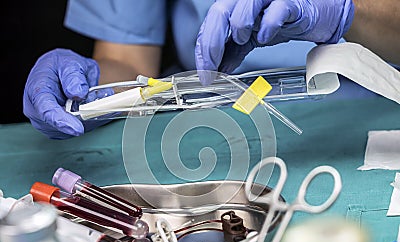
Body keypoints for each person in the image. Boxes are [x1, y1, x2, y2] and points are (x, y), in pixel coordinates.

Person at [23, 0, 400, 140]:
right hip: (215, 131)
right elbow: (128, 60)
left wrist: (349, 13)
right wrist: (86, 93)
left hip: (378, 115)